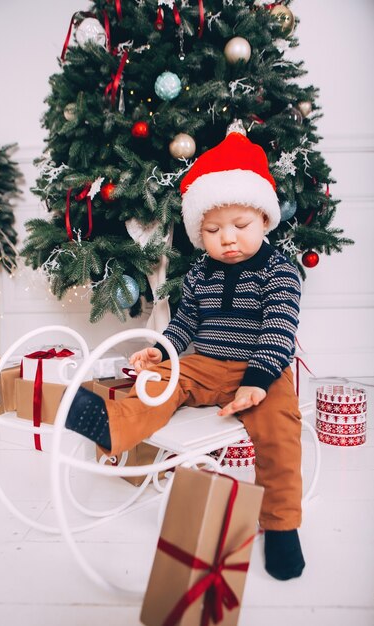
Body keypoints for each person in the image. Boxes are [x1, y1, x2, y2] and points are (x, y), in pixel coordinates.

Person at [66, 126, 304, 581]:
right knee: (160, 385)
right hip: (206, 365)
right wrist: (163, 351)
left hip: (261, 368)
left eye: (241, 226)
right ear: (200, 232)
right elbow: (184, 323)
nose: (227, 239)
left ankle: (281, 525)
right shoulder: (200, 273)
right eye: (213, 230)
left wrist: (256, 382)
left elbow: (279, 328)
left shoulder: (279, 270)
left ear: (265, 220)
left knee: (279, 429)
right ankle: (110, 424)